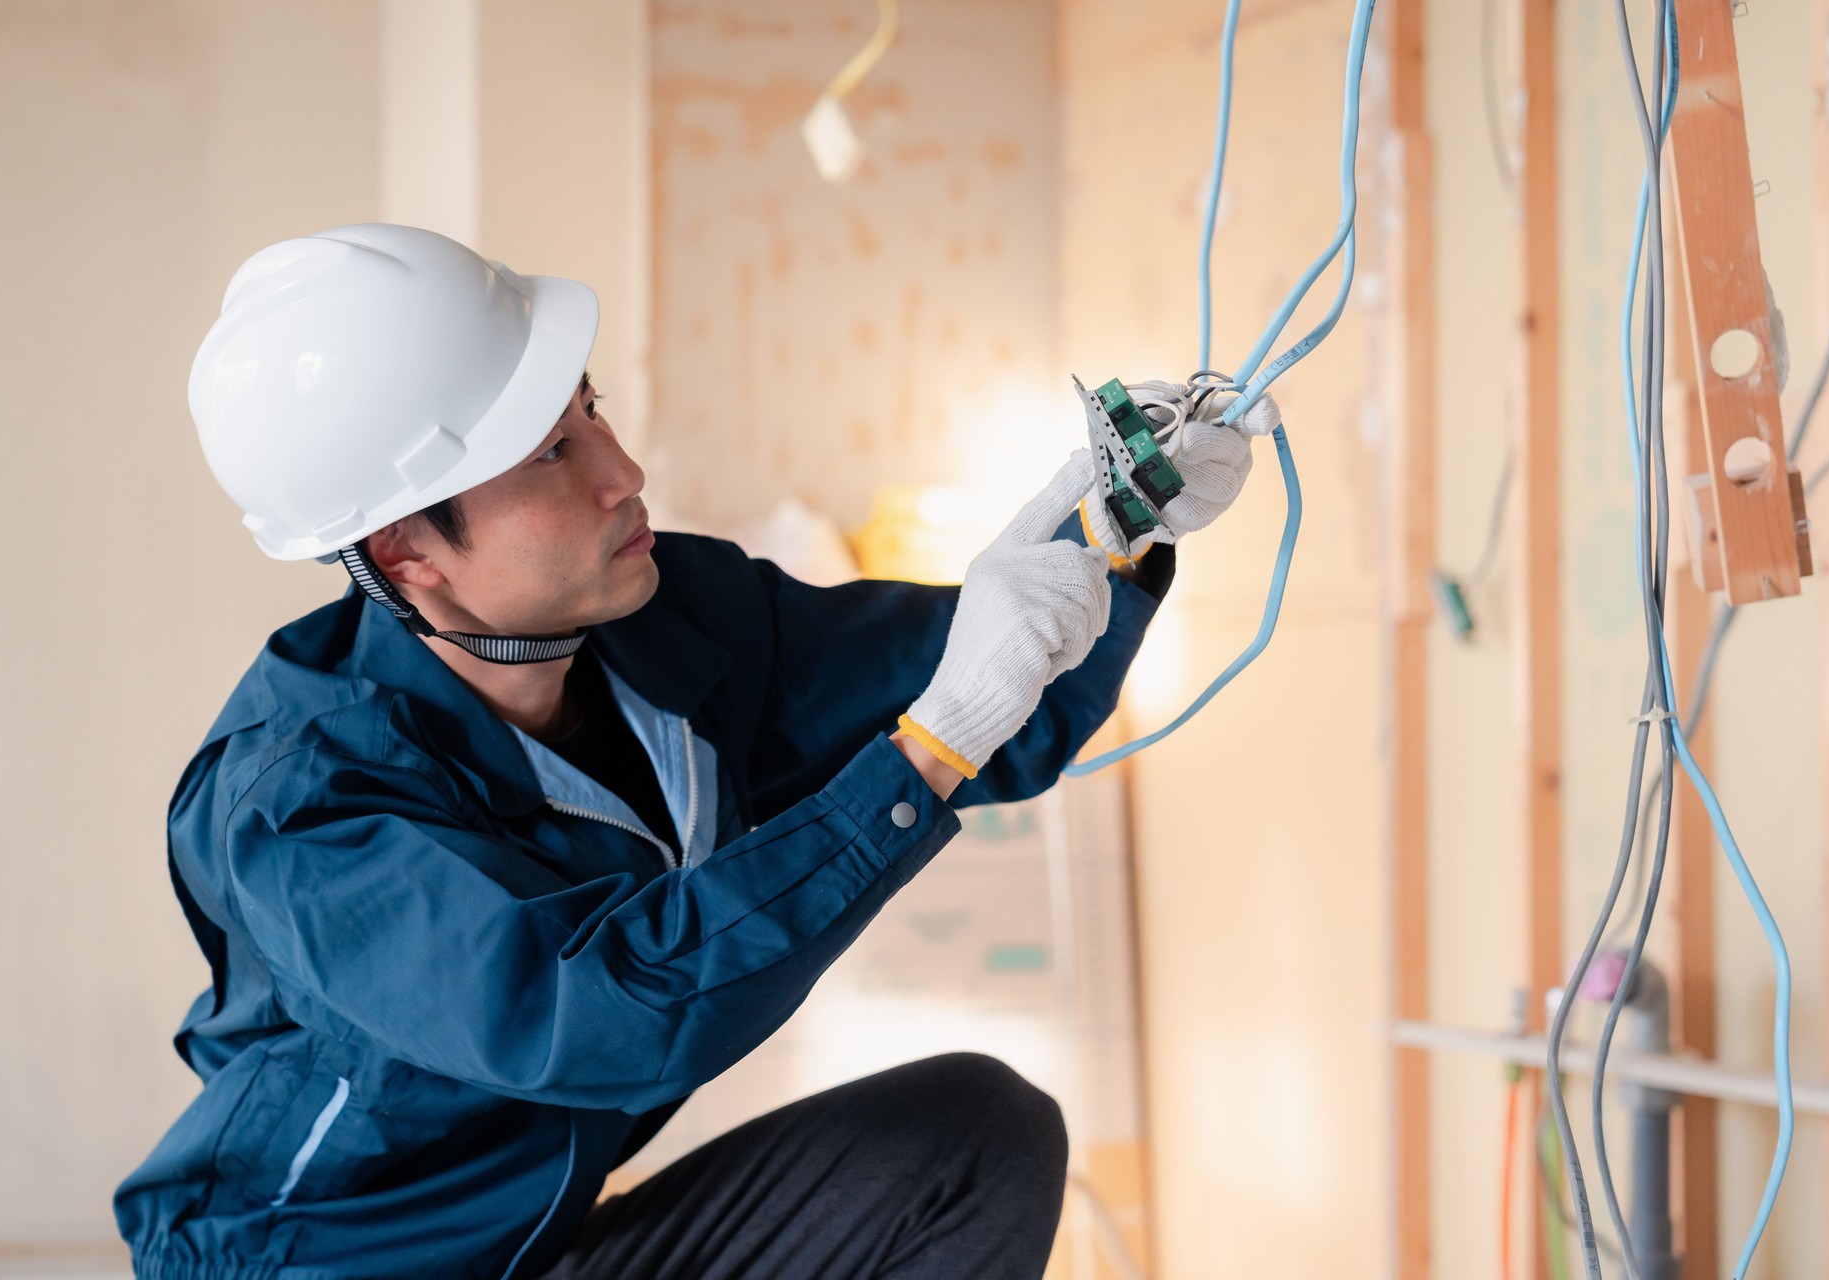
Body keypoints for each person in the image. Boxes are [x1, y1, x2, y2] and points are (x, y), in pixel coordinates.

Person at [115, 224, 1273, 1280]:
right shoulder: (302, 807)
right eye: (550, 455)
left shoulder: (670, 622)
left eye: (590, 411)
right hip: (313, 1270)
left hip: (536, 1249)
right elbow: (602, 1011)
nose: (622, 471)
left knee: (974, 1137)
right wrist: (927, 750)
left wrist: (1115, 530)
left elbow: (974, 692)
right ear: (408, 549)